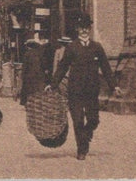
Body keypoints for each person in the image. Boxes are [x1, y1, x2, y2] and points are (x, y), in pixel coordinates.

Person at [47, 14, 122, 160]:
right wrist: (53, 84)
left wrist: (114, 86)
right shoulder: (71, 47)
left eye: (87, 28)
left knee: (94, 120)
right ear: (77, 29)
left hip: (92, 91)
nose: (84, 31)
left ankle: (86, 134)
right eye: (82, 28)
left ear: (90, 29)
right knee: (78, 120)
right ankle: (82, 149)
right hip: (75, 91)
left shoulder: (97, 47)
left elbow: (106, 68)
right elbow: (62, 67)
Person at [19, 35, 50, 107]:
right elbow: (44, 64)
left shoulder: (27, 54)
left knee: (29, 90)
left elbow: (25, 66)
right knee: (37, 90)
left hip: (29, 75)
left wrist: (23, 75)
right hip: (39, 74)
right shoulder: (40, 53)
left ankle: (28, 103)